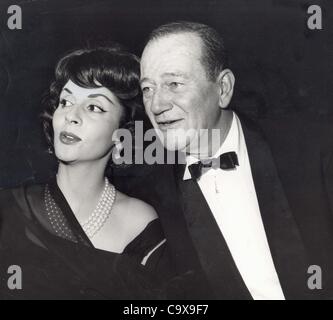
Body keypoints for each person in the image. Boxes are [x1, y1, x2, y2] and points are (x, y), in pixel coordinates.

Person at [132, 21, 333, 299]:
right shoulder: (150, 195)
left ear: (223, 88)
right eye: (147, 89)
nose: (156, 105)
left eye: (174, 84)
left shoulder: (310, 150)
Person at [0, 45, 173, 299]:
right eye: (66, 101)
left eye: (94, 108)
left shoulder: (141, 223)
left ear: (123, 136)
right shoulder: (8, 208)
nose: (71, 115)